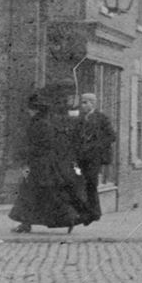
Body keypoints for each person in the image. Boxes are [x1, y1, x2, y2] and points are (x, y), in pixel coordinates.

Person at [8, 82, 88, 234]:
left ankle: (66, 218)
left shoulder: (40, 124)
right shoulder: (45, 122)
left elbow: (38, 145)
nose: (29, 112)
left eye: (30, 110)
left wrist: (25, 158)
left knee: (35, 193)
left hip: (41, 164)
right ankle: (65, 219)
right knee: (43, 194)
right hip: (46, 164)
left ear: (35, 110)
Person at [73, 92, 116, 224]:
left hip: (94, 158)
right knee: (80, 184)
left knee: (91, 184)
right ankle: (87, 213)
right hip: (81, 157)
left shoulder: (101, 118)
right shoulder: (79, 118)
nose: (83, 105)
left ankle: (94, 213)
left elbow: (111, 136)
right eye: (82, 102)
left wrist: (96, 146)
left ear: (93, 103)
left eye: (85, 102)